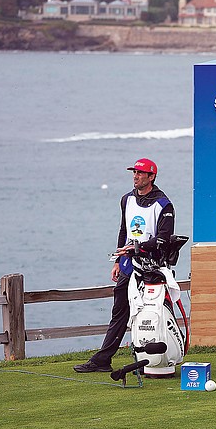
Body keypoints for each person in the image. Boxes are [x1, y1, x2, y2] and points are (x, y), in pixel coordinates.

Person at [74, 158, 175, 373]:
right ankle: (103, 359)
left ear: (151, 177)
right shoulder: (126, 200)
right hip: (128, 266)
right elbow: (124, 231)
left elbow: (163, 240)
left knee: (151, 312)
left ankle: (154, 359)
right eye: (134, 173)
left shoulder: (164, 205)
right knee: (120, 312)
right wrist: (119, 260)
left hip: (152, 270)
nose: (135, 176)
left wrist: (136, 248)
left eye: (140, 173)